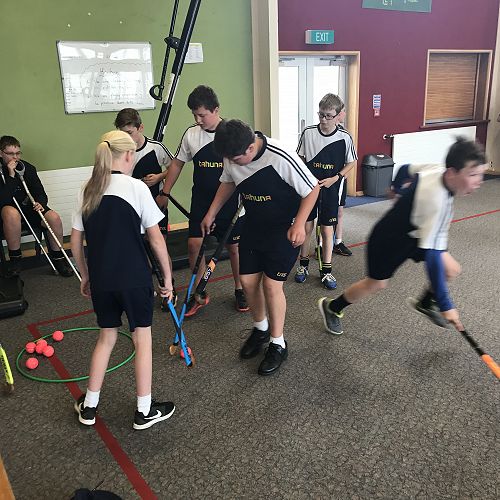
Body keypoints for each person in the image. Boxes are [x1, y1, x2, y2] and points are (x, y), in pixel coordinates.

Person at [318, 138, 487, 336]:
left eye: (480, 174)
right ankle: (333, 307)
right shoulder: (435, 201)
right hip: (389, 240)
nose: (479, 182)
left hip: (417, 235)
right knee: (376, 283)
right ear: (452, 172)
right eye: (473, 175)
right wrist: (445, 304)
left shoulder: (438, 170)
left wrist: (396, 188)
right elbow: (432, 256)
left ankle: (425, 302)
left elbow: (406, 169)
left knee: (451, 269)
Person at [71, 130, 175, 430]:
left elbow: (75, 242)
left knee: (106, 338)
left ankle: (89, 406)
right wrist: (168, 279)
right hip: (134, 278)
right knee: (142, 339)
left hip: (102, 280)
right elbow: (156, 240)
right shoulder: (136, 187)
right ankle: (144, 411)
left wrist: (86, 274)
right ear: (129, 155)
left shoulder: (87, 189)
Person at [201, 119, 319, 376]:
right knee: (247, 281)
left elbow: (312, 189)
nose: (232, 163)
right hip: (254, 224)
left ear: (250, 148)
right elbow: (228, 182)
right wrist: (211, 213)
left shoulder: (280, 157)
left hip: (285, 226)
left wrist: (300, 224)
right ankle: (261, 329)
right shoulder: (231, 155)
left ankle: (278, 344)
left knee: (271, 285)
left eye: (236, 159)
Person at [159, 85, 248, 316]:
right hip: (201, 200)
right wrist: (165, 192)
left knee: (234, 248)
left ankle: (240, 289)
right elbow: (177, 163)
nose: (198, 120)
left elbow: (247, 166)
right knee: (193, 246)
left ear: (216, 110)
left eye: (202, 115)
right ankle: (199, 292)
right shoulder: (191, 135)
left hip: (230, 202)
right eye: (194, 115)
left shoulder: (231, 134)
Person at [294, 94, 357, 289]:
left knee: (327, 230)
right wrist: (305, 180)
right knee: (306, 227)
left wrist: (336, 178)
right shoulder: (308, 133)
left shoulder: (345, 137)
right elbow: (299, 158)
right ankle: (303, 266)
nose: (323, 119)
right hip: (309, 188)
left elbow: (352, 162)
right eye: (321, 114)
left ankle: (326, 271)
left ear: (338, 116)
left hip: (331, 188)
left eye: (329, 116)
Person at [114, 108, 176, 303]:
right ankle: (147, 288)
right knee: (140, 252)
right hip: (132, 207)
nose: (126, 138)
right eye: (122, 134)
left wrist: (159, 177)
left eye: (129, 133)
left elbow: (174, 167)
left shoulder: (156, 148)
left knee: (159, 247)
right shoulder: (120, 152)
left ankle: (170, 287)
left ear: (140, 128)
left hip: (156, 204)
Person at [0, 135, 73, 277]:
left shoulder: (28, 168)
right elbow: (4, 199)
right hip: (7, 213)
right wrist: (11, 175)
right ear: (1, 153)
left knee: (54, 218)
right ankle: (15, 260)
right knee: (11, 212)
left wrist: (41, 203)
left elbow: (40, 193)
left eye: (18, 153)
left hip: (28, 209)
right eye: (10, 154)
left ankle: (59, 259)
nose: (15, 157)